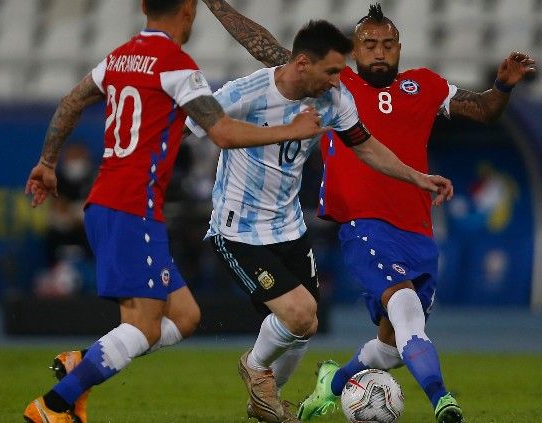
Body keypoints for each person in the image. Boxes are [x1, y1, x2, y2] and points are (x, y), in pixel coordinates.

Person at [199, 2, 536, 422]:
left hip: (414, 228)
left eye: (389, 45)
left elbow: (481, 111)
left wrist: (501, 88)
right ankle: (442, 401)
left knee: (384, 345)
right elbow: (261, 44)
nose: (379, 53)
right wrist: (216, 4)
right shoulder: (332, 84)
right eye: (369, 45)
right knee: (391, 313)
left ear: (400, 48)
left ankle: (325, 386)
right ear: (354, 52)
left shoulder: (418, 85)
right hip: (360, 226)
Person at [21, 0, 330, 421]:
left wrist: (48, 162)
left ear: (145, 6)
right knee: (144, 327)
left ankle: (84, 364)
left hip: (107, 205)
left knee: (185, 316)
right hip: (133, 209)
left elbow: (71, 102)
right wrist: (290, 130)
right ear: (188, 9)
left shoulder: (118, 58)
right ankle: (54, 406)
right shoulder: (176, 65)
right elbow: (220, 131)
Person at [184, 19, 453, 423]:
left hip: (289, 227)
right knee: (298, 313)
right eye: (331, 71)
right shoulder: (246, 92)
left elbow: (366, 148)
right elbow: (204, 131)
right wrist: (288, 130)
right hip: (238, 228)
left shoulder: (332, 98)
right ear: (303, 64)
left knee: (304, 328)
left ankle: (268, 404)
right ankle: (256, 369)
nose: (337, 80)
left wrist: (418, 178)